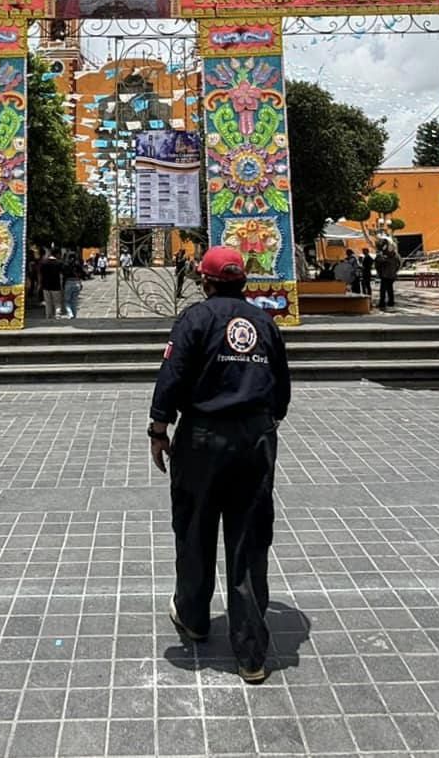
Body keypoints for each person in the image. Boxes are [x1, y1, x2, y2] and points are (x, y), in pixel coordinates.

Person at [148, 247, 291, 685]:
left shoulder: (195, 320)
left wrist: (158, 428)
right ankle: (251, 655)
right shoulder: (264, 322)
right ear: (243, 281)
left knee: (194, 528)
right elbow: (281, 385)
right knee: (249, 539)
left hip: (203, 437)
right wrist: (265, 422)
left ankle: (193, 617)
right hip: (255, 437)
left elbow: (172, 375)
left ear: (205, 281)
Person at [39, 248, 65, 319]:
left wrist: (40, 283)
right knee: (57, 302)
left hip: (45, 285)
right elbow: (61, 274)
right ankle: (58, 315)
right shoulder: (59, 263)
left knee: (48, 302)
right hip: (56, 285)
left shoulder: (43, 263)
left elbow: (40, 274)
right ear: (57, 254)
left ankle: (48, 316)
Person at [375, 240, 401, 309]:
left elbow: (378, 262)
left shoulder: (385, 257)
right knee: (390, 289)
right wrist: (395, 271)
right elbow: (399, 264)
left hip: (385, 275)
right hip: (392, 275)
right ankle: (391, 302)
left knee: (383, 290)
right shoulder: (396, 256)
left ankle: (382, 303)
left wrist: (379, 256)